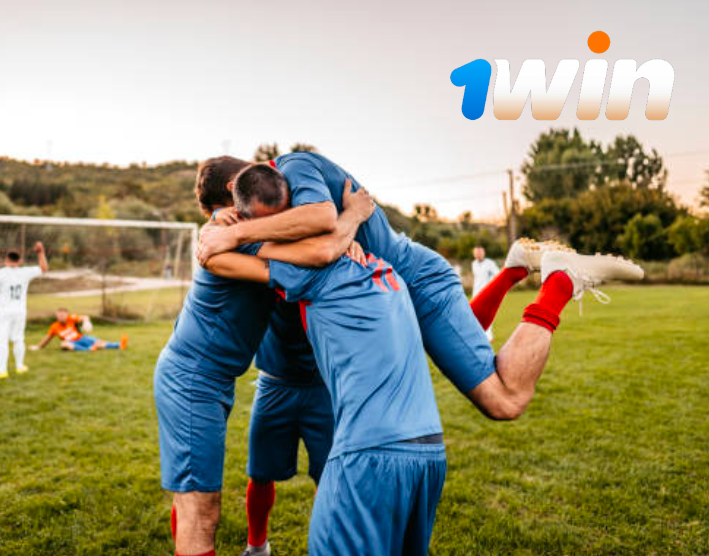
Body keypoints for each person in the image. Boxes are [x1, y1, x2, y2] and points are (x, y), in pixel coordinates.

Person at [200, 165, 643, 554]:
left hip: (366, 457)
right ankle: (535, 274)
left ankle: (557, 279)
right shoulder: (385, 270)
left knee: (504, 398)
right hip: (427, 455)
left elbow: (230, 260)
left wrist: (222, 231)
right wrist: (352, 218)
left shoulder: (308, 268)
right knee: (502, 396)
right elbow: (328, 240)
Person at [155, 176, 373, 556]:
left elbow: (318, 247)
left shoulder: (236, 236)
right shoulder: (227, 244)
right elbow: (318, 247)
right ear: (237, 202)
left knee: (193, 498)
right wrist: (348, 222)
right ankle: (256, 547)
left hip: (220, 380)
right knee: (200, 507)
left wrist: (345, 243)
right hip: (198, 379)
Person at [241, 295, 334, 556]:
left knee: (330, 476)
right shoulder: (266, 263)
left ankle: (326, 546)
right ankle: (257, 547)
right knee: (260, 473)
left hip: (323, 387)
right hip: (274, 383)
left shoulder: (326, 260)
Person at [0, 242, 48, 380]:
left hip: (4, 311)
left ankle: (2, 370)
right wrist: (41, 252)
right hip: (19, 311)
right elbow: (44, 268)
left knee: (2, 340)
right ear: (20, 261)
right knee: (18, 339)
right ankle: (20, 366)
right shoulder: (25, 272)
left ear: (6, 260)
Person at [30, 308, 128, 352]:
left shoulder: (71, 318)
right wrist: (38, 347)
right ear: (56, 316)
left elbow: (84, 317)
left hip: (81, 338)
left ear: (67, 315)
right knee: (64, 344)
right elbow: (48, 338)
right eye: (59, 315)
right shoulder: (54, 326)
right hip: (71, 343)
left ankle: (119, 345)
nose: (62, 317)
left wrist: (86, 322)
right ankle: (88, 350)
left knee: (99, 343)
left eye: (63, 315)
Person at [471, 245, 500, 341]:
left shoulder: (490, 263)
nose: (478, 254)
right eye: (476, 253)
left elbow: (498, 275)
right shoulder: (473, 264)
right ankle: (478, 335)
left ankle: (488, 336)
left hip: (487, 293)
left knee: (486, 314)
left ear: (483, 253)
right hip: (476, 293)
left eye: (480, 252)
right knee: (475, 315)